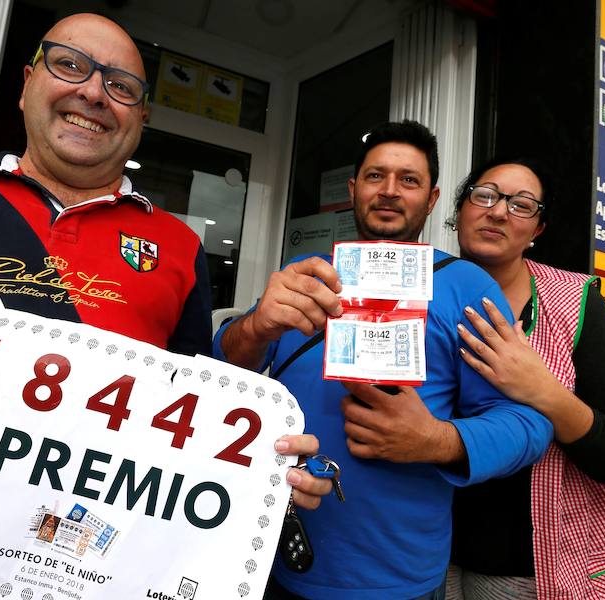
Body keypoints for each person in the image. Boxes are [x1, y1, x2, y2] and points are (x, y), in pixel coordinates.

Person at [0, 13, 330, 599]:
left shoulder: (179, 247)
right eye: (70, 64)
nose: (93, 92)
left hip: (88, 569)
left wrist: (255, 472)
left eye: (121, 86)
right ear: (25, 84)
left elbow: (191, 415)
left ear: (140, 119)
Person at [214, 121, 553, 599]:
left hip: (395, 574)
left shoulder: (466, 287)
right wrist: (253, 328)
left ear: (432, 200)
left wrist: (437, 439)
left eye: (409, 180)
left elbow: (528, 422)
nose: (390, 191)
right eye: (376, 177)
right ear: (353, 190)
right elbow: (219, 376)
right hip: (267, 548)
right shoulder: (306, 273)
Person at [445, 158, 605, 599]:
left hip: (538, 571)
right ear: (460, 210)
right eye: (484, 195)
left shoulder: (577, 305)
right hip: (430, 559)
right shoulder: (424, 292)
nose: (499, 211)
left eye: (522, 205)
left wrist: (543, 392)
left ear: (538, 230)